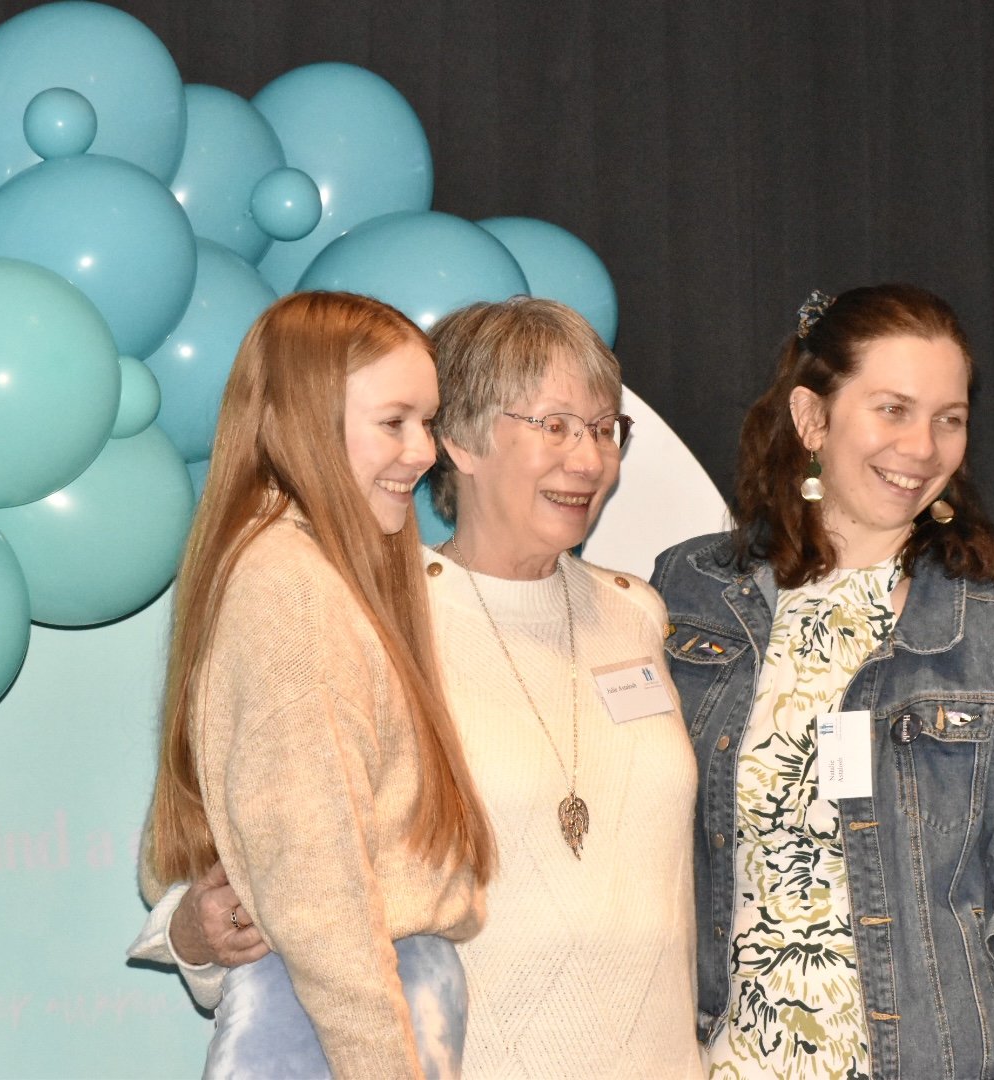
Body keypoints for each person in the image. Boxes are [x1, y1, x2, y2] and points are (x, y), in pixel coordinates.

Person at [132, 297, 704, 1079]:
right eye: (556, 425)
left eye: (606, 430)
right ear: (460, 442)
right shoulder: (372, 614)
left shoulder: (639, 614)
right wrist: (197, 932)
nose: (589, 459)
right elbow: (245, 858)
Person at [651, 283, 994, 1080]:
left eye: (949, 419)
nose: (923, 448)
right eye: (893, 409)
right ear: (812, 418)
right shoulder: (689, 594)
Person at [137, 290, 496, 1080]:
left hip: (335, 1015)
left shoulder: (297, 569)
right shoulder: (292, 586)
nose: (424, 451)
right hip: (332, 1027)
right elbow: (319, 894)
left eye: (427, 422)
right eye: (394, 422)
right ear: (303, 417)